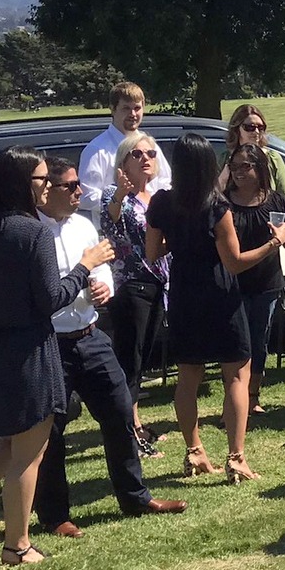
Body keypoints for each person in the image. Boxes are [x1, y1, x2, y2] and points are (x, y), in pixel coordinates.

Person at [0, 146, 112, 565]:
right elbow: (51, 299)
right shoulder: (32, 232)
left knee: (7, 442)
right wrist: (84, 265)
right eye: (41, 180)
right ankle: (17, 546)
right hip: (29, 351)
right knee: (29, 454)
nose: (47, 187)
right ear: (23, 184)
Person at [32, 157, 186, 538]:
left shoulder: (83, 224)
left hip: (90, 335)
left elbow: (103, 264)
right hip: (50, 343)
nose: (79, 192)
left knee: (120, 414)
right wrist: (85, 270)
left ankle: (135, 496)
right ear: (47, 189)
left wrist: (105, 285)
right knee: (52, 432)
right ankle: (55, 515)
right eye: (70, 186)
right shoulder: (32, 232)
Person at [146, 133, 285, 483]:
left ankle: (194, 450)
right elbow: (235, 263)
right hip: (220, 295)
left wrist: (182, 241)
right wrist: (274, 242)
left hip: (182, 295)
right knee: (237, 374)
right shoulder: (217, 207)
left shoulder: (162, 202)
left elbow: (153, 252)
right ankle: (236, 457)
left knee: (188, 376)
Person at [100, 131, 168, 453]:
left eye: (151, 154)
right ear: (123, 162)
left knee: (142, 362)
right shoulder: (115, 197)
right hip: (131, 287)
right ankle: (130, 433)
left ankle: (135, 424)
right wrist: (119, 197)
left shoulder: (156, 198)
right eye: (137, 154)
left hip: (158, 285)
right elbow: (110, 226)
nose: (146, 159)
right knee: (129, 361)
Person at [224, 142, 285, 413]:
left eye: (244, 166)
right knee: (235, 345)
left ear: (259, 168)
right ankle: (234, 401)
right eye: (233, 167)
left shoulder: (274, 200)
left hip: (266, 283)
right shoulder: (224, 203)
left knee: (258, 342)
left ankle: (253, 397)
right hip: (232, 283)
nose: (238, 173)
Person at [79, 81, 172, 214]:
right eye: (126, 108)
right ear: (113, 109)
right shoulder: (96, 150)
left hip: (153, 226)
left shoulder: (151, 147)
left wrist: (151, 202)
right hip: (115, 230)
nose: (133, 114)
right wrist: (128, 202)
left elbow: (166, 182)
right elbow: (86, 196)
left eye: (137, 108)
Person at [220, 104, 285, 221]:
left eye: (260, 127)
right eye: (250, 127)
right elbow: (215, 196)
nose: (256, 132)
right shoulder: (225, 159)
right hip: (234, 222)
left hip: (267, 221)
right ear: (237, 129)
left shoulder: (272, 158)